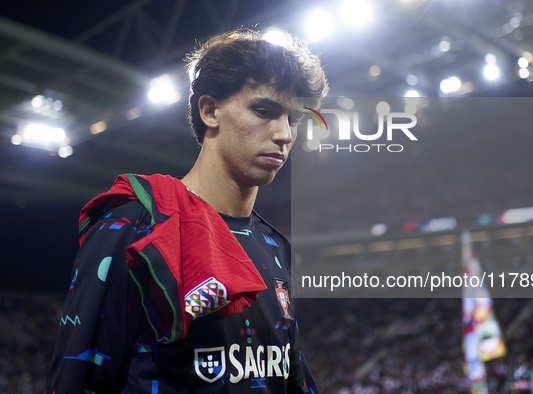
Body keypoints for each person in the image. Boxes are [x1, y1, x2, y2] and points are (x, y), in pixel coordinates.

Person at [47, 28, 328, 393]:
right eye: (264, 110)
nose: (284, 134)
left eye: (293, 119)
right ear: (210, 111)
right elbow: (77, 377)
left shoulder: (276, 245)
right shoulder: (135, 225)